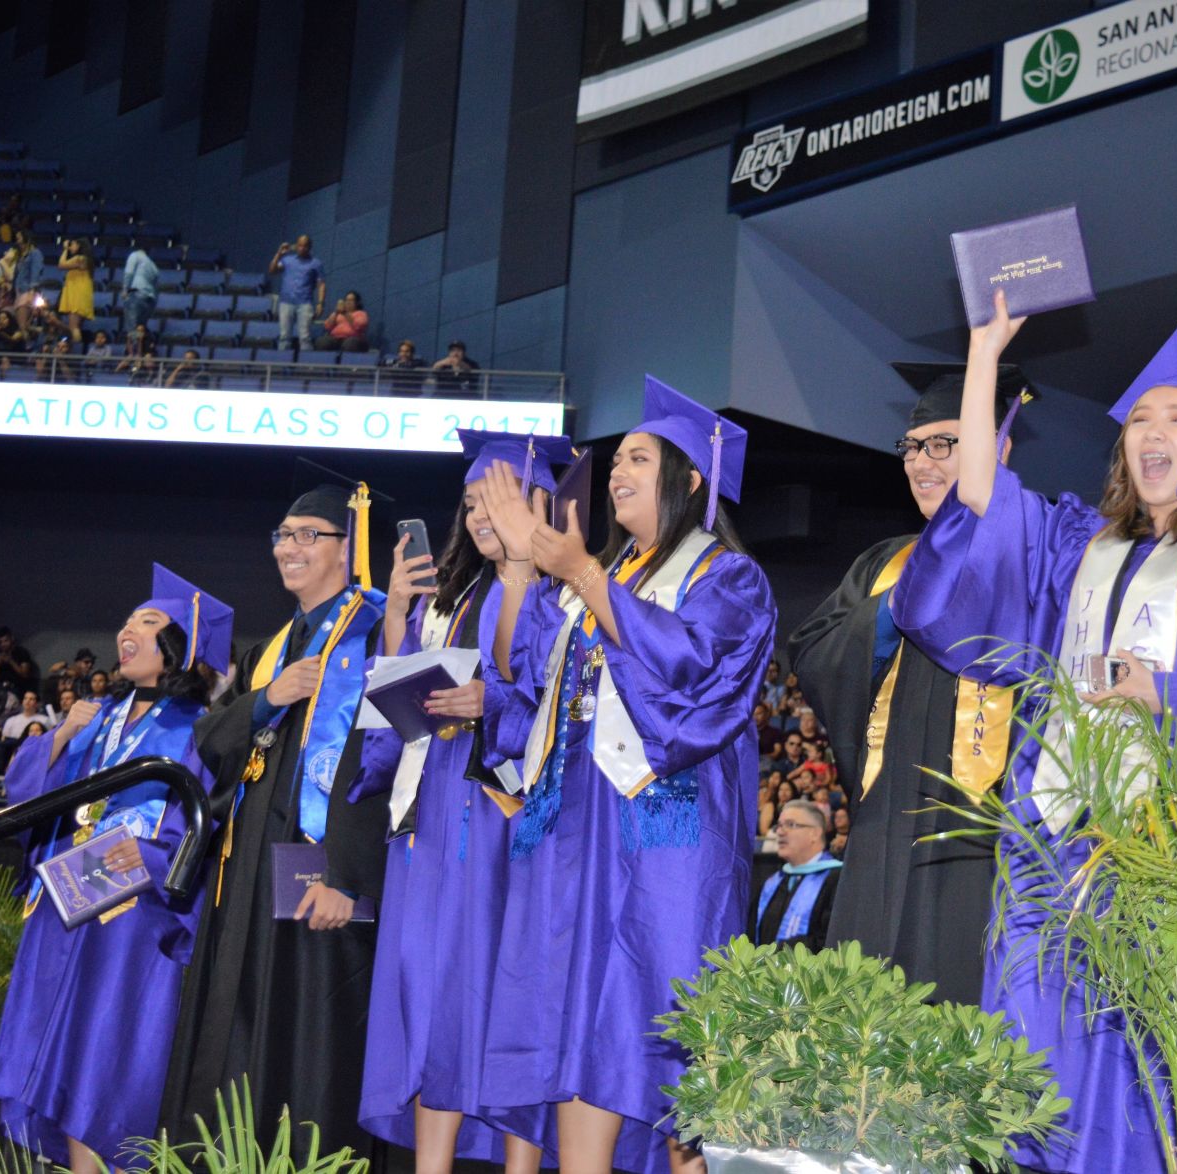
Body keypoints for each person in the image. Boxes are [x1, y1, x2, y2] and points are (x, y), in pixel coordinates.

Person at [889, 291, 1177, 1174]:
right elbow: (983, 499)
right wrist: (985, 353)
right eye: (1140, 416)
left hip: (1163, 849)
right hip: (1050, 837)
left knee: (1135, 1062)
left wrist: (1163, 693)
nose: (1154, 430)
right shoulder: (1079, 543)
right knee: (1033, 1049)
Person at [478, 376, 776, 1173]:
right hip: (579, 827)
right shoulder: (605, 571)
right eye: (614, 460)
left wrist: (581, 575)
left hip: (665, 830)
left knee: (664, 1019)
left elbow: (686, 668)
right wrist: (517, 570)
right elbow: (521, 669)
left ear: (690, 479)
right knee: (580, 1019)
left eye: (638, 458)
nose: (615, 472)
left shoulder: (729, 579)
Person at [355, 430, 572, 1172]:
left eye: (500, 499)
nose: (483, 515)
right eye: (473, 501)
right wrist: (395, 624)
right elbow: (387, 726)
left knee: (502, 993)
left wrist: (496, 704)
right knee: (425, 995)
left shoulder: (555, 592)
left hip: (498, 824)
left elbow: (552, 706)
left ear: (540, 501)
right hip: (426, 820)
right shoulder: (451, 596)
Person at [787, 360, 1033, 1006]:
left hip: (988, 829)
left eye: (943, 445)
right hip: (885, 821)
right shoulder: (886, 563)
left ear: (995, 446)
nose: (921, 462)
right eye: (912, 447)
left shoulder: (1040, 550)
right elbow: (811, 650)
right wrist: (897, 608)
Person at [160, 483, 388, 1159]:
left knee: (308, 1032)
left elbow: (382, 759)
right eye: (281, 536)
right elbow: (212, 741)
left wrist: (351, 876)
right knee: (237, 1028)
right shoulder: (276, 646)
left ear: (350, 548)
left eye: (306, 535)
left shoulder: (377, 632)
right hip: (254, 867)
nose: (288, 548)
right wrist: (269, 697)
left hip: (322, 867)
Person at [0, 566, 232, 1173]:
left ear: (180, 645)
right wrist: (63, 736)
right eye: (126, 621)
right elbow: (28, 800)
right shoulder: (97, 717)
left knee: (108, 1062)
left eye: (146, 622)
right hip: (69, 904)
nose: (128, 630)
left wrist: (149, 858)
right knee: (65, 1060)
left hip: (133, 917)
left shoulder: (196, 729)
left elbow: (211, 824)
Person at [749, 799, 842, 950]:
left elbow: (830, 939)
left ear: (815, 833)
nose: (780, 831)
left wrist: (774, 955)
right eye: (779, 825)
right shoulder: (774, 882)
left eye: (791, 825)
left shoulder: (837, 880)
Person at [269, 235, 325, 352]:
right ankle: (282, 364)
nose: (302, 248)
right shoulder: (287, 260)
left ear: (310, 247)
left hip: (304, 303)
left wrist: (320, 303)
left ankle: (305, 366)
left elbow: (321, 284)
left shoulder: (316, 263)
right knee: (284, 336)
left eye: (305, 246)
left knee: (305, 337)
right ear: (296, 246)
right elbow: (272, 270)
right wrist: (279, 254)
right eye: (299, 245)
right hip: (286, 302)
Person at [57, 237, 93, 343]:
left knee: (73, 327)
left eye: (72, 244)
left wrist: (65, 250)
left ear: (79, 246)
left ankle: (76, 352)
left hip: (78, 295)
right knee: (75, 326)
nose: (70, 247)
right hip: (79, 293)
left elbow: (61, 265)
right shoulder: (84, 259)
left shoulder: (80, 258)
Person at [120, 245, 160, 335]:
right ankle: (140, 348)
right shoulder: (153, 265)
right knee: (141, 329)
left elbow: (129, 273)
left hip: (136, 294)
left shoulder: (135, 255)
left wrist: (125, 289)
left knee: (132, 329)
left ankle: (133, 348)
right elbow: (156, 288)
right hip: (149, 300)